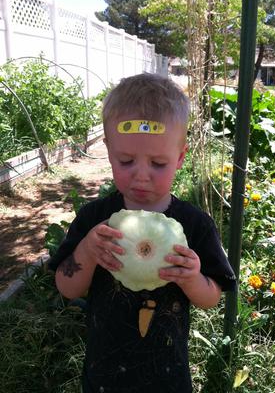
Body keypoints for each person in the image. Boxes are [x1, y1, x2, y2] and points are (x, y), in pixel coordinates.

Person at [49, 73, 236, 393]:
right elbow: (67, 287)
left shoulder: (195, 224)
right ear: (108, 151)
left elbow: (211, 298)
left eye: (158, 163)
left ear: (179, 158)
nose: (142, 176)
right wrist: (87, 252)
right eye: (126, 160)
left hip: (168, 376)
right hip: (104, 375)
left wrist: (191, 278)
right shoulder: (95, 220)